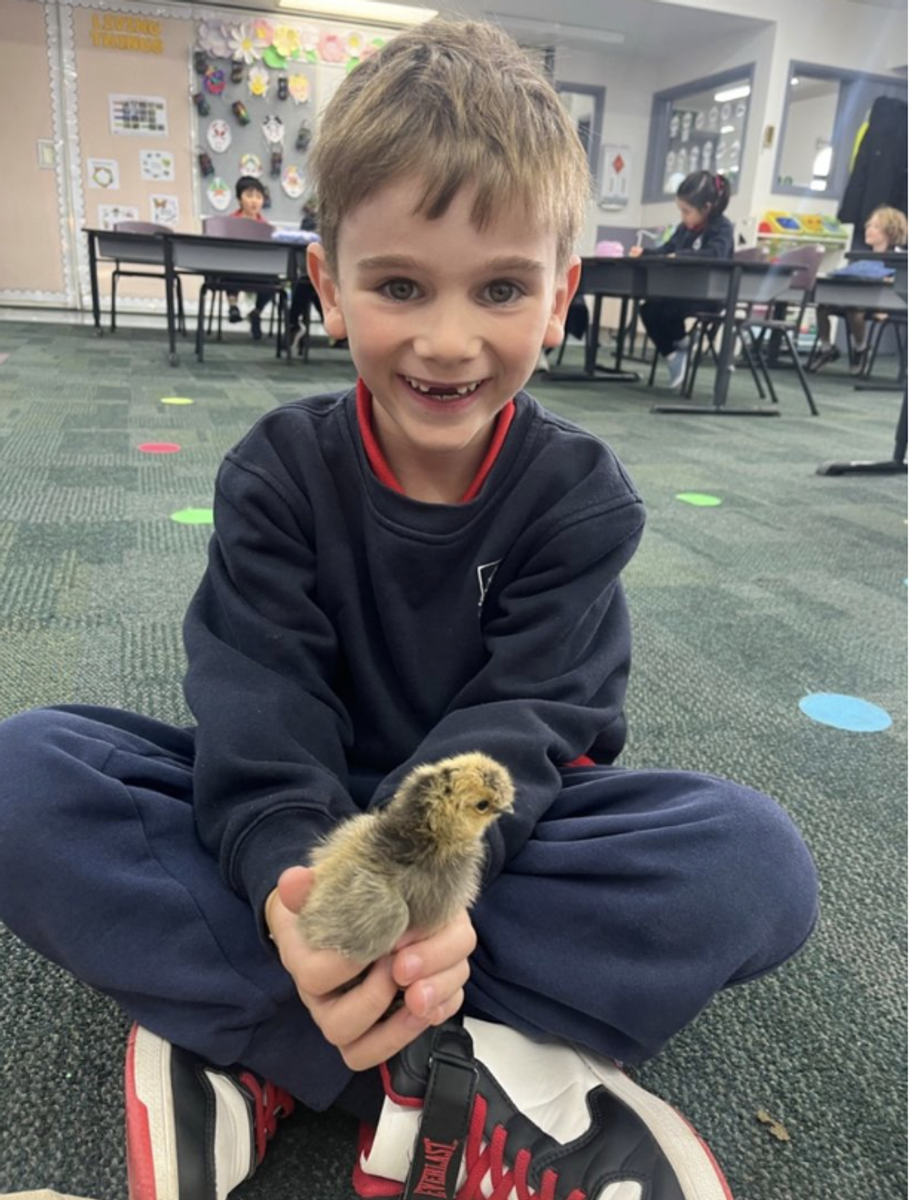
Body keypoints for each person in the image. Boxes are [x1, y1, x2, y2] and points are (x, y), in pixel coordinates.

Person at [0, 19, 818, 1200]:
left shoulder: (581, 498)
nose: (447, 341)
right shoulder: (277, 472)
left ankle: (243, 1038)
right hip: (297, 825)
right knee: (23, 777)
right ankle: (460, 1080)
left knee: (752, 865)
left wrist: (411, 894)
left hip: (487, 851)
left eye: (500, 289)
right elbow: (259, 707)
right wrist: (299, 895)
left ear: (559, 297)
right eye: (398, 286)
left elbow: (528, 729)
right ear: (330, 287)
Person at [630, 171, 735, 389]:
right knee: (649, 309)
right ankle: (675, 351)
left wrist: (679, 256)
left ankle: (681, 342)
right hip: (680, 292)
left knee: (668, 310)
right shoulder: (684, 229)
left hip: (709, 296)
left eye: (687, 211)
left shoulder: (722, 228)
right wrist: (645, 253)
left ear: (706, 208)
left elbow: (715, 254)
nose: (683, 217)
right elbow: (666, 249)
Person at [808, 205, 907, 375]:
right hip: (856, 300)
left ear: (890, 231)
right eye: (869, 225)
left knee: (855, 310)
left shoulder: (899, 259)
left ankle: (860, 349)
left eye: (876, 227)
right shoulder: (863, 259)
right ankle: (827, 349)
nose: (869, 230)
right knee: (823, 307)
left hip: (884, 305)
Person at [225, 174, 274, 341]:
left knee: (274, 281)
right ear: (240, 198)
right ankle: (233, 307)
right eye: (249, 196)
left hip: (257, 272)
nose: (254, 201)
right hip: (233, 270)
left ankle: (256, 313)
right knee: (226, 269)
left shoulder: (266, 227)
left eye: (259, 197)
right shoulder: (228, 222)